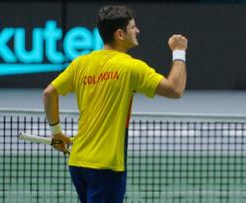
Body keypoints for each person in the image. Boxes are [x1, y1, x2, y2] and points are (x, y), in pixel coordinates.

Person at [43, 5, 187, 203]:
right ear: (120, 34)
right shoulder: (131, 67)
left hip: (77, 163)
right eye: (133, 27)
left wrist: (56, 133)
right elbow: (175, 89)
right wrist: (179, 51)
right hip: (106, 167)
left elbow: (49, 93)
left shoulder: (80, 63)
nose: (137, 31)